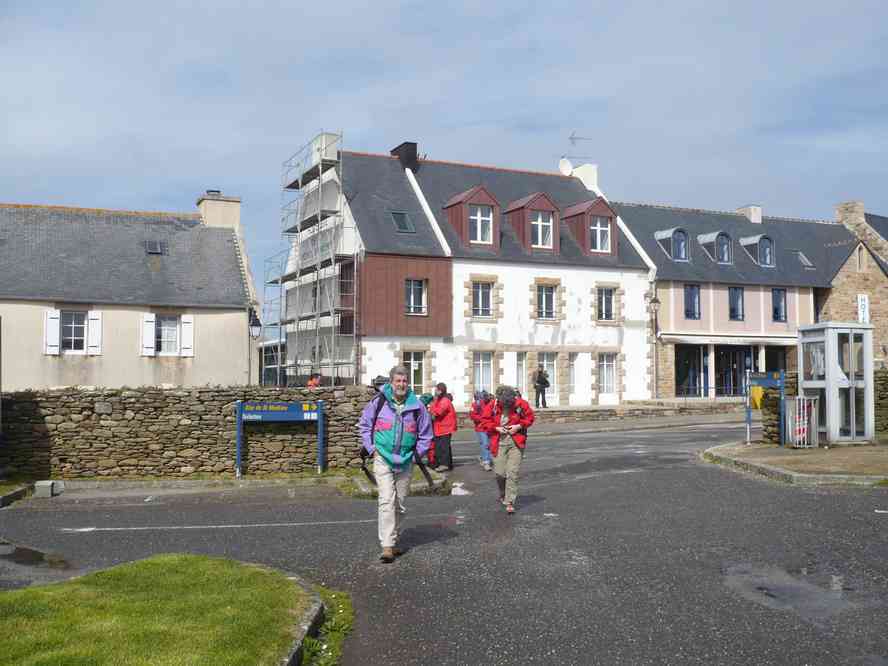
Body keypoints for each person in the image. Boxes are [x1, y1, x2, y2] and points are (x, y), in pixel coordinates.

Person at [358, 365, 433, 563]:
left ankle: (393, 538)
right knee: (386, 501)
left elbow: (426, 434)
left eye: (404, 381)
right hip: (382, 457)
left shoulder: (417, 406)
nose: (401, 384)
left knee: (399, 504)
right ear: (391, 382)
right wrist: (371, 448)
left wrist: (417, 455)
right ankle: (387, 546)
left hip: (406, 460)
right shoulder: (378, 401)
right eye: (398, 381)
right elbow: (365, 425)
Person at [488, 385, 535, 514]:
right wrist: (496, 428)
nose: (507, 406)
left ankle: (510, 501)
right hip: (498, 442)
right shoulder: (492, 405)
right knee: (500, 473)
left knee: (512, 472)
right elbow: (484, 421)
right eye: (504, 404)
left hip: (516, 442)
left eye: (509, 404)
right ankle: (503, 492)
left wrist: (518, 426)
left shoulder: (521, 404)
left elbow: (530, 418)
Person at [428, 382, 456, 472]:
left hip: (445, 428)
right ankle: (448, 464)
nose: (435, 392)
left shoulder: (444, 401)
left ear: (440, 391)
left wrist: (432, 408)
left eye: (436, 390)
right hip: (440, 427)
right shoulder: (440, 400)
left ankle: (444, 464)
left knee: (442, 447)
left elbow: (437, 412)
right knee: (443, 446)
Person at [470, 390, 495, 471]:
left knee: (488, 444)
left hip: (489, 427)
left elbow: (494, 414)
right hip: (481, 427)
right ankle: (486, 461)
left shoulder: (491, 403)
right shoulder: (476, 404)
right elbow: (473, 415)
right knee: (485, 444)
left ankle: (485, 457)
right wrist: (483, 419)